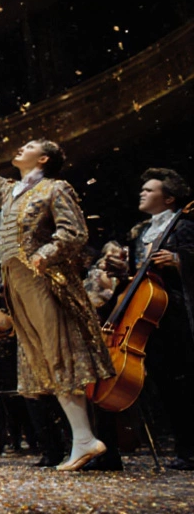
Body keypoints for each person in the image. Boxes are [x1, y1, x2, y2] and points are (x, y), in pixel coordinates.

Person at [0, 128, 113, 471]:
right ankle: (82, 438)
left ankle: (85, 438)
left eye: (29, 146)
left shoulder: (54, 188)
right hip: (17, 284)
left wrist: (47, 253)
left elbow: (74, 232)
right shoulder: (13, 191)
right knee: (43, 355)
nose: (21, 147)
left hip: (43, 279)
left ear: (43, 159)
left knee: (58, 351)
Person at [86, 167, 194, 471]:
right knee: (107, 376)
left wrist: (177, 260)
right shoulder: (139, 231)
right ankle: (109, 453)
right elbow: (137, 274)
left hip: (168, 316)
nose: (142, 193)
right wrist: (121, 271)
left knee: (176, 387)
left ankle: (188, 451)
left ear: (169, 198)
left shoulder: (184, 226)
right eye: (142, 189)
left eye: (150, 190)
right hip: (138, 313)